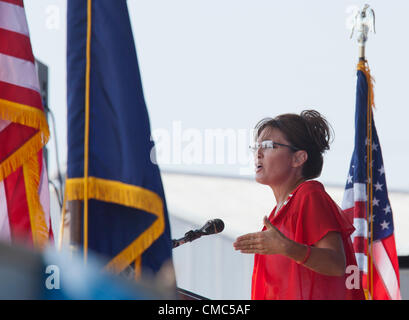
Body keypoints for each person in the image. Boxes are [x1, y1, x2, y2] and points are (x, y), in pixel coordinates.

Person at [233, 110, 365, 300]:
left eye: (268, 146)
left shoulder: (309, 194)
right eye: (256, 147)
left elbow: (336, 263)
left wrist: (287, 247)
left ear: (298, 158)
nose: (258, 153)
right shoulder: (277, 214)